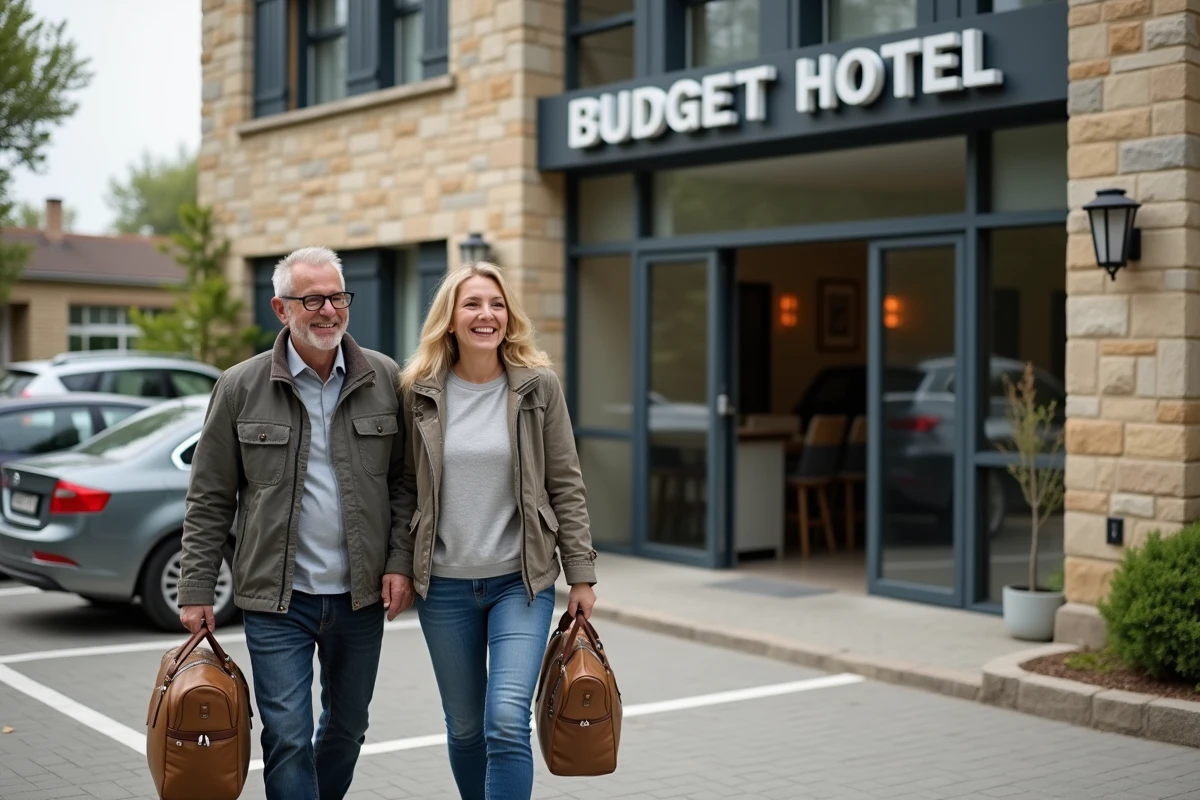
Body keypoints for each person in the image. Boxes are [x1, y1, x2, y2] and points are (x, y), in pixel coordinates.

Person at [177, 245, 414, 800]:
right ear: (282, 309)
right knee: (287, 734)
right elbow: (209, 496)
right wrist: (195, 589)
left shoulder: (384, 378)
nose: (328, 310)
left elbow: (406, 484)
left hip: (360, 596)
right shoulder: (240, 386)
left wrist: (399, 562)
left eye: (337, 297)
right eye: (312, 300)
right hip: (276, 598)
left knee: (348, 728)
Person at [393, 260, 598, 800]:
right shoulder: (417, 391)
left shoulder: (538, 388)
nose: (487, 315)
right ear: (450, 319)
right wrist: (398, 564)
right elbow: (404, 489)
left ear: (509, 315)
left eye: (497, 304)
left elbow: (566, 484)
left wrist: (582, 574)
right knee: (464, 728)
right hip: (444, 585)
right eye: (473, 304)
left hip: (520, 582)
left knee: (506, 720)